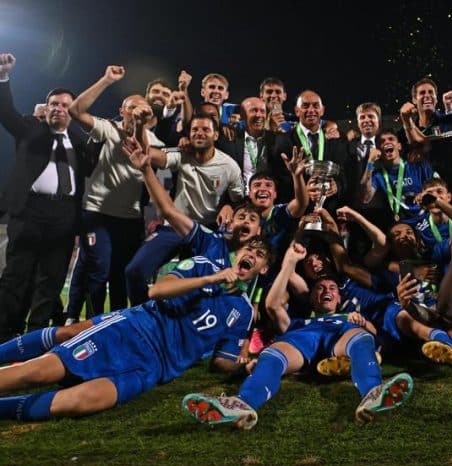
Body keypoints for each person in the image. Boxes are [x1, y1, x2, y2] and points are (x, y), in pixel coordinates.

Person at [0, 238, 267, 422]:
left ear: (263, 269)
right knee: (39, 371)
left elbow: (221, 361)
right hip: (131, 332)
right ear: (237, 253)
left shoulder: (244, 312)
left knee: (78, 402)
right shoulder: (204, 266)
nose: (252, 254)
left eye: (260, 254)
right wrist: (211, 279)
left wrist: (243, 366)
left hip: (154, 368)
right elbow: (157, 291)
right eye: (249, 249)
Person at [181, 242, 413, 429]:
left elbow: (379, 341)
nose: (327, 290)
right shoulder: (299, 321)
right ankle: (242, 404)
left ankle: (372, 393)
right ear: (311, 297)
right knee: (272, 353)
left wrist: (364, 324)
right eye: (320, 288)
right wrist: (290, 261)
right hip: (304, 340)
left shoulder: (351, 317)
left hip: (341, 335)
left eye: (332, 288)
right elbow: (272, 305)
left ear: (340, 298)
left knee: (361, 338)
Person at [0, 53, 91, 340]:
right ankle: (5, 334)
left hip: (64, 215)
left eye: (65, 105)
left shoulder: (80, 142)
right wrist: (3, 76)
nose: (59, 109)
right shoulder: (29, 129)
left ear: (72, 111)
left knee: (51, 279)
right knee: (16, 276)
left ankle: (37, 337)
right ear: (46, 108)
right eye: (54, 104)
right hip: (30, 211)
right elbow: (6, 112)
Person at [66, 65, 166, 316]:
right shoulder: (109, 128)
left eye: (141, 108)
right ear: (121, 111)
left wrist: (140, 125)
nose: (135, 111)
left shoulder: (155, 141)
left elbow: (141, 151)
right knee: (98, 271)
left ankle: (117, 323)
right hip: (97, 212)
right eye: (130, 107)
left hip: (129, 218)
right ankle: (93, 323)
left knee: (121, 275)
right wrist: (106, 80)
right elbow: (75, 111)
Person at [124, 113, 244, 305]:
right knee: (134, 271)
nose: (199, 133)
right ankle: (143, 315)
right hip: (174, 227)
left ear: (215, 135)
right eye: (195, 129)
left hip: (205, 233)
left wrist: (229, 205)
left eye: (205, 129)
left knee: (199, 290)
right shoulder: (181, 156)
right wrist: (139, 129)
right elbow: (148, 153)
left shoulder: (229, 166)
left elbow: (240, 201)